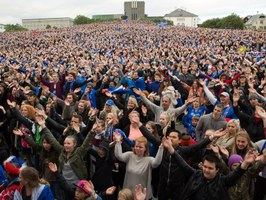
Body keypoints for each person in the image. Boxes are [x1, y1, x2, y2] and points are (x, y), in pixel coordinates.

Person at [162, 136, 257, 200]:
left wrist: (245, 163)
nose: (206, 170)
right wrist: (171, 149)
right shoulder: (196, 174)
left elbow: (236, 174)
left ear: (217, 170)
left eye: (210, 168)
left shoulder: (223, 181)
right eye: (205, 167)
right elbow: (182, 164)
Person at [114, 134, 163, 200]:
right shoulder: (130, 155)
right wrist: (118, 141)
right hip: (128, 192)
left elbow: (156, 163)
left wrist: (161, 148)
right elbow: (118, 156)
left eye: (140, 147)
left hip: (141, 194)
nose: (137, 148)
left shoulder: (149, 160)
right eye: (136, 146)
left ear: (145, 148)